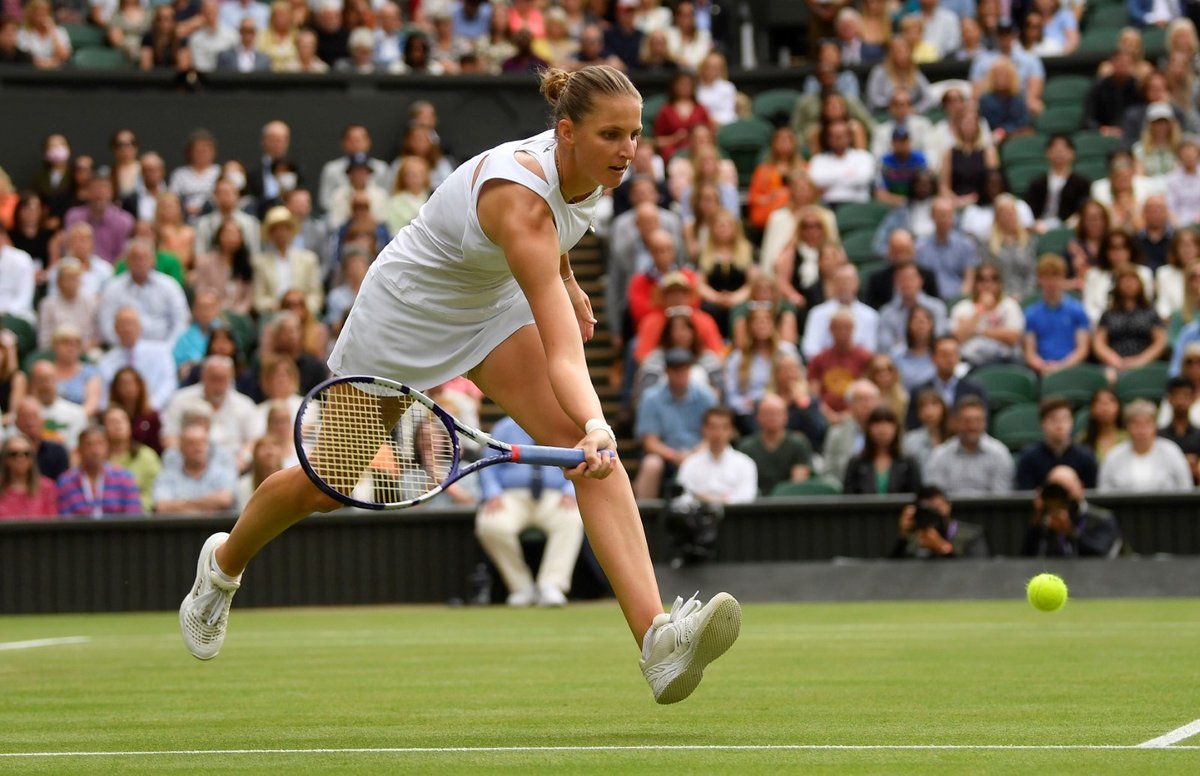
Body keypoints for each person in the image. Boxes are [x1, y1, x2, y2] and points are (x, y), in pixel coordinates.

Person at [179, 66, 741, 704]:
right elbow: (563, 354)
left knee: (594, 465)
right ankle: (221, 569)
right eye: (612, 134)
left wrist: (571, 282)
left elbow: (555, 232)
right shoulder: (522, 201)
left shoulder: (590, 171)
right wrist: (597, 422)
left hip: (490, 304)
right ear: (566, 133)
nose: (627, 149)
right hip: (406, 313)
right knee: (326, 485)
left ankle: (658, 643)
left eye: (635, 134)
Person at [475, 416, 585, 608]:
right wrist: (493, 493)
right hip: (511, 496)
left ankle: (552, 586)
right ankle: (521, 588)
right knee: (490, 523)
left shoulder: (563, 425)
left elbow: (578, 461)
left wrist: (570, 490)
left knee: (572, 518)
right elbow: (488, 463)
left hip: (555, 495)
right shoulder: (503, 427)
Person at [1024, 466, 1123, 558]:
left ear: (1081, 487)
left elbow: (1102, 556)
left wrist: (1070, 532)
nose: (1061, 498)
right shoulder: (1045, 523)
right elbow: (1025, 559)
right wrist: (1036, 521)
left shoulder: (1102, 519)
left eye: (1066, 491)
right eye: (1055, 493)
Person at [924, 395, 1014, 496]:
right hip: (950, 511)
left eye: (978, 420)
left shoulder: (999, 454)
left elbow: (1001, 499)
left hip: (989, 511)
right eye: (967, 421)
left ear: (985, 422)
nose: (972, 426)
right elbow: (936, 499)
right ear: (956, 422)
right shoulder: (940, 455)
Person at [1098, 399, 1193, 492]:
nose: (1141, 430)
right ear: (1127, 427)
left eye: (1147, 423)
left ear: (1155, 426)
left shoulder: (1171, 451)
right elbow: (1103, 491)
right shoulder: (1114, 455)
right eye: (1136, 424)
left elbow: (1186, 488)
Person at [1023, 255, 1092, 376]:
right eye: (1046, 277)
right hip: (1042, 371)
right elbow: (1030, 353)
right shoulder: (1031, 313)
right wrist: (1043, 366)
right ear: (1039, 279)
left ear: (1063, 277)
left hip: (1072, 370)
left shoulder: (1077, 310)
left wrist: (1061, 366)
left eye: (1055, 276)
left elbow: (1082, 349)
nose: (1051, 282)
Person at [674, 406, 757, 507]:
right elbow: (681, 497)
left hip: (734, 518)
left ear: (731, 431)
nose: (718, 433)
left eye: (724, 428)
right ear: (704, 430)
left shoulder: (745, 463)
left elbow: (747, 496)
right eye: (713, 427)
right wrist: (701, 500)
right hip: (696, 519)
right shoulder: (690, 463)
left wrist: (718, 501)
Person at [736, 392, 813, 496]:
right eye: (767, 413)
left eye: (777, 413)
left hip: (787, 504)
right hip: (754, 505)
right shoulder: (746, 447)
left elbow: (797, 485)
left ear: (786, 416)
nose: (772, 417)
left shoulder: (799, 444)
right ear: (758, 417)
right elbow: (741, 485)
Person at [56, 425, 143, 517]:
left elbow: (133, 518)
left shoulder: (125, 479)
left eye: (100, 443)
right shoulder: (66, 482)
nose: (95, 450)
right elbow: (64, 522)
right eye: (88, 444)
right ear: (79, 450)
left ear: (108, 448)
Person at [154, 421, 239, 515]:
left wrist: (180, 504)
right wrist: (209, 505)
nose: (198, 447)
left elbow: (225, 500)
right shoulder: (167, 475)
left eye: (202, 442)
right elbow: (161, 507)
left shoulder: (222, 472)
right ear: (181, 448)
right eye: (191, 443)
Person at [950, 264, 1025, 368]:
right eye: (982, 280)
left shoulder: (1010, 305)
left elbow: (1013, 337)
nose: (987, 285)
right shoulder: (962, 307)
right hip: (971, 361)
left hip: (1005, 360)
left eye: (993, 280)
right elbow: (958, 338)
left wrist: (978, 331)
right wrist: (980, 309)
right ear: (974, 284)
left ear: (1000, 284)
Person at [1016, 398, 1099, 490]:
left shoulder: (1086, 456)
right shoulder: (1029, 457)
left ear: (1072, 422)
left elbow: (1092, 493)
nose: (1060, 424)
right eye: (1053, 419)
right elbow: (1024, 494)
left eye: (1065, 418)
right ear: (1042, 423)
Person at [904, 336, 986, 429]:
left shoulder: (974, 390)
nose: (949, 359)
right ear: (933, 358)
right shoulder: (919, 391)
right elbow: (912, 425)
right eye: (944, 354)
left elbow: (982, 424)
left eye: (953, 354)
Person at [892, 485, 990, 558]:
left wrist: (943, 548)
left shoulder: (972, 536)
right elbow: (891, 572)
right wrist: (903, 535)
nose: (934, 515)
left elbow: (978, 571)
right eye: (928, 511)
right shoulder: (915, 539)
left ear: (948, 505)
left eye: (937, 508)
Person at [842, 407, 921, 495]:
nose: (882, 429)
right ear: (868, 428)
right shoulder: (856, 463)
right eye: (877, 423)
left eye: (888, 423)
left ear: (896, 428)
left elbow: (916, 496)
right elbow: (848, 496)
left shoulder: (908, 462)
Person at [915, 197, 980, 299]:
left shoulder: (966, 245)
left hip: (957, 298)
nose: (944, 219)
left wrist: (959, 299)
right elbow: (916, 280)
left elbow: (969, 280)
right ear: (932, 216)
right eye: (940, 215)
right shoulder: (919, 247)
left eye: (948, 215)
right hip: (929, 300)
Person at [103, 404, 161, 513]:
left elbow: (155, 492)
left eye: (122, 420)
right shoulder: (97, 458)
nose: (118, 425)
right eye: (112, 422)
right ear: (104, 427)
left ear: (130, 425)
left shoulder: (147, 456)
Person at [821, 378, 881, 482]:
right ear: (850, 405)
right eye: (860, 399)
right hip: (845, 490)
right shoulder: (837, 433)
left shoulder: (890, 430)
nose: (866, 404)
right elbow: (828, 470)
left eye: (870, 399)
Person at [0, 433, 58, 520]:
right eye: (14, 454)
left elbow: (53, 521)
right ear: (5, 459)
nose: (20, 458)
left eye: (26, 454)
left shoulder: (47, 487)